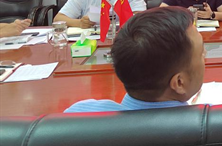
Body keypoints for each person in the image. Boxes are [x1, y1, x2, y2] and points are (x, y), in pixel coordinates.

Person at [64, 7, 205, 112]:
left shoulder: (77, 115)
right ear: (179, 83)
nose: (205, 54)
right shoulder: (209, 126)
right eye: (201, 53)